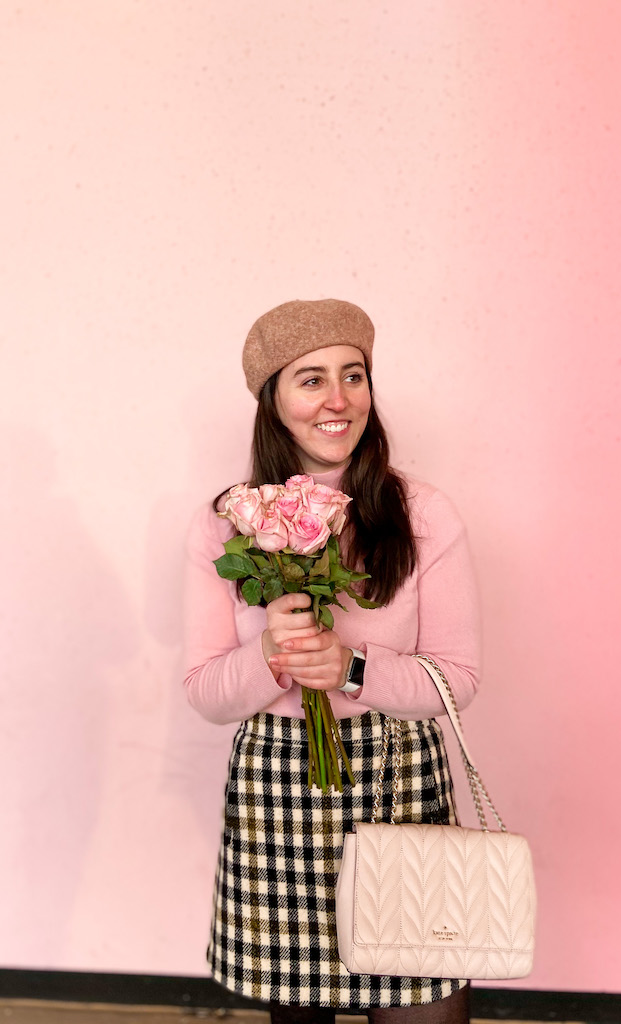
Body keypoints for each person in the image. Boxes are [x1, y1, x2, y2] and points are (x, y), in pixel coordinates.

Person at [183, 299, 481, 1023]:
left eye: (354, 375)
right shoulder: (227, 521)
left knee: (424, 1004)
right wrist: (272, 657)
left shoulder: (423, 513)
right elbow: (206, 691)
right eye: (310, 379)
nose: (339, 399)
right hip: (277, 789)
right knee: (300, 1013)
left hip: (400, 783)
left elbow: (458, 680)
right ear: (274, 402)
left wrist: (352, 668)